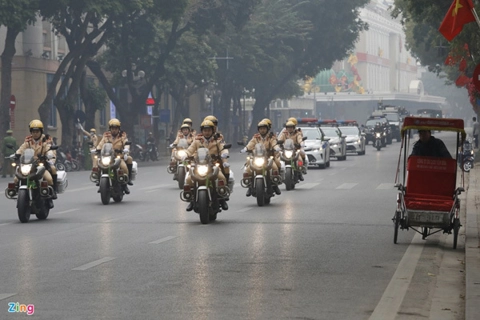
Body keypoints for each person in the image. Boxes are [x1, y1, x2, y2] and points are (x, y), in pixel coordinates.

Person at [183, 119, 229, 211]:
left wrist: (224, 153)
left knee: (221, 177)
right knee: (188, 179)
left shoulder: (217, 141)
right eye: (205, 130)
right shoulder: (197, 141)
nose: (207, 132)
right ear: (202, 131)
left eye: (208, 130)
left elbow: (223, 149)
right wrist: (185, 154)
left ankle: (222, 198)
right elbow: (190, 149)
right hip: (198, 165)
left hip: (212, 165)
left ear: (212, 130)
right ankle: (191, 200)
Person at [14, 120, 56, 199]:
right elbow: (22, 148)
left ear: (41, 131)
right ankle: (15, 192)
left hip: (41, 165)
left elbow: (49, 149)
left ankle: (53, 191)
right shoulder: (28, 141)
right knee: (16, 179)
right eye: (33, 131)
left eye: (37, 131)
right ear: (31, 132)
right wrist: (17, 154)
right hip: (29, 165)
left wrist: (49, 154)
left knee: (49, 179)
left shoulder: (45, 140)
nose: (35, 134)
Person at [241, 120, 282, 196]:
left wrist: (276, 148)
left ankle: (275, 184)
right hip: (256, 158)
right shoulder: (256, 138)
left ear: (267, 129)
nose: (262, 130)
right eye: (260, 129)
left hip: (268, 158)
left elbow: (274, 144)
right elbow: (251, 144)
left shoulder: (271, 137)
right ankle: (250, 186)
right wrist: (245, 148)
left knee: (276, 166)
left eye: (264, 128)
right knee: (247, 169)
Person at [95, 118, 134, 193]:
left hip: (118, 157)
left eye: (116, 128)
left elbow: (126, 143)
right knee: (98, 164)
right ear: (110, 129)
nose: (114, 130)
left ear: (118, 129)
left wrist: (126, 149)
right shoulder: (106, 136)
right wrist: (97, 149)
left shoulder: (122, 135)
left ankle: (125, 183)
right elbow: (101, 144)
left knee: (124, 167)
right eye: (112, 128)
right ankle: (99, 181)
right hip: (108, 157)